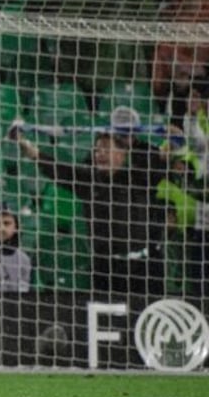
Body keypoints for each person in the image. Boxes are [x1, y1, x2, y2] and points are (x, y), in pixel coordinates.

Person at [15, 127, 168, 296]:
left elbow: (164, 158)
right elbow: (58, 170)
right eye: (97, 150)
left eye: (106, 148)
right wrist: (26, 146)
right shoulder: (88, 181)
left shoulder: (140, 178)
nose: (99, 154)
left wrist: (168, 138)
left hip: (143, 268)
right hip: (105, 269)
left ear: (122, 154)